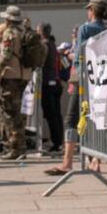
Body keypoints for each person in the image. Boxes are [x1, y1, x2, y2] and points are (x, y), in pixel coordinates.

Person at [45, 0, 107, 177]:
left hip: (84, 78)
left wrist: (70, 56)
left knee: (71, 119)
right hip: (102, 79)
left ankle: (67, 162)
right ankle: (95, 160)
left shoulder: (85, 28)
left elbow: (81, 54)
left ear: (92, 11)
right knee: (96, 119)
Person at [0, 6, 32, 161]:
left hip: (11, 76)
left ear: (8, 19)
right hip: (24, 75)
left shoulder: (10, 33)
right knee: (18, 113)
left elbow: (6, 56)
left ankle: (15, 148)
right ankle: (20, 147)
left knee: (9, 112)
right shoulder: (24, 32)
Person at [39, 23, 64, 152]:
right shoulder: (54, 45)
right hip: (56, 83)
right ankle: (59, 140)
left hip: (47, 83)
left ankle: (56, 142)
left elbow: (40, 63)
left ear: (40, 31)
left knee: (51, 115)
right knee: (57, 114)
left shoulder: (44, 45)